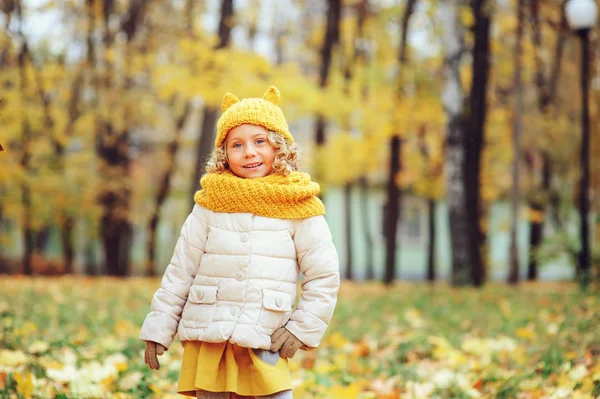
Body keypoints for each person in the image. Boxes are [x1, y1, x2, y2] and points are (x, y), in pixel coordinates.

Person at [139, 86, 340, 399]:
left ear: (280, 147)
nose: (249, 152)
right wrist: (158, 328)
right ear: (224, 155)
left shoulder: (300, 205)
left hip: (264, 339)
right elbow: (181, 271)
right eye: (237, 145)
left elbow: (323, 277)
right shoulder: (209, 205)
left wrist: (301, 328)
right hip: (211, 340)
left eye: (260, 141)